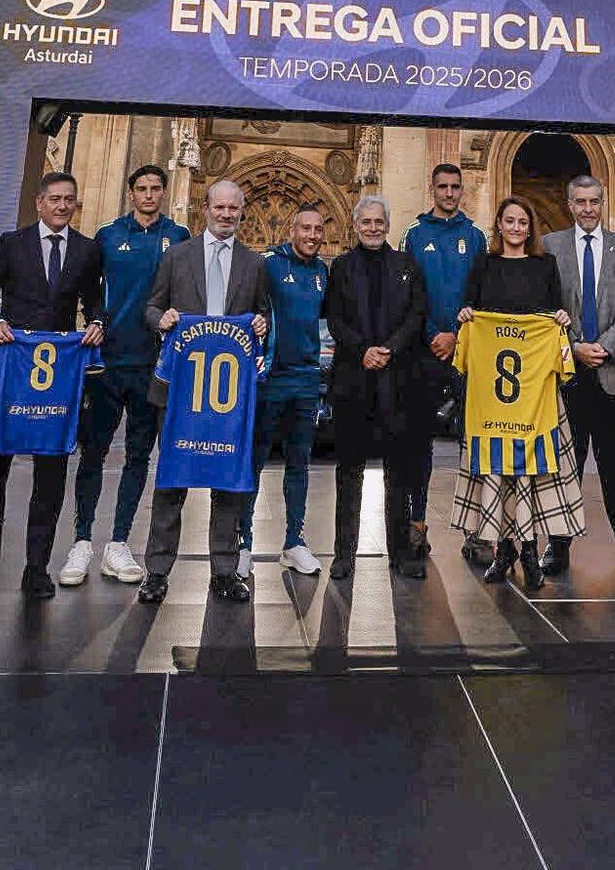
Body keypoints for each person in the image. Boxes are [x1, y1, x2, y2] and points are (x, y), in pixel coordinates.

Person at [0, 171, 104, 603]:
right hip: (12, 372)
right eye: (55, 199)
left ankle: (36, 568)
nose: (63, 206)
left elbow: (95, 299)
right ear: (39, 203)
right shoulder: (12, 243)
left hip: (59, 378)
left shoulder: (86, 250)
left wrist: (97, 322)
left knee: (51, 471)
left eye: (70, 200)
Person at [136, 178, 270, 606]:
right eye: (220, 207)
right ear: (205, 209)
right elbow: (150, 308)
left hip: (229, 395)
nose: (226, 214)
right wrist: (163, 319)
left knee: (228, 484)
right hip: (179, 391)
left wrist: (262, 326)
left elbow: (263, 314)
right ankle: (156, 572)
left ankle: (225, 571)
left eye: (234, 209)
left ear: (241, 213)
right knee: (172, 480)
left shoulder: (254, 264)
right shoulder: (177, 256)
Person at [58, 164, 190, 589]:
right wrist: (90, 320)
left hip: (153, 366)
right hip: (108, 361)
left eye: (155, 189)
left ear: (164, 193)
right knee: (93, 453)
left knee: (138, 456)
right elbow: (88, 289)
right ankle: (81, 541)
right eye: (142, 189)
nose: (149, 195)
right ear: (131, 194)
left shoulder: (179, 238)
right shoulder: (109, 235)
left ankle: (118, 543)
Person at [452, 196, 580, 592]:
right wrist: (466, 317)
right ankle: (504, 550)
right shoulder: (484, 264)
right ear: (499, 225)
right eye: (509, 221)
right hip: (493, 395)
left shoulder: (545, 265)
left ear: (530, 227)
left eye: (523, 221)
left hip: (535, 390)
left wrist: (560, 319)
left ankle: (529, 551)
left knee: (532, 471)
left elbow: (555, 315)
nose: (516, 227)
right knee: (498, 472)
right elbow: (469, 310)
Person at [541, 175, 615, 580]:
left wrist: (603, 345)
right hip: (567, 375)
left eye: (594, 201)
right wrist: (574, 347)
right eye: (580, 201)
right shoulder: (551, 247)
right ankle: (558, 547)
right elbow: (546, 307)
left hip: (612, 373)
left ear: (603, 203)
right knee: (565, 467)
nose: (588, 208)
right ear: (569, 204)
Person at [323, 195, 427, 582]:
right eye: (365, 222)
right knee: (348, 472)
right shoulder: (341, 268)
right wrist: (362, 351)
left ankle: (401, 553)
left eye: (378, 222)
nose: (372, 227)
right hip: (354, 382)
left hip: (397, 383)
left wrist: (389, 350)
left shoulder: (406, 265)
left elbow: (417, 314)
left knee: (399, 473)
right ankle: (343, 555)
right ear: (355, 225)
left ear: (387, 224)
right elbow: (334, 318)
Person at [236, 202, 330, 577]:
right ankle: (244, 543)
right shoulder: (270, 264)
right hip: (272, 378)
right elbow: (249, 304)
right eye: (305, 229)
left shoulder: (323, 271)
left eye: (317, 230)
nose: (311, 236)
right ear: (292, 231)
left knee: (299, 462)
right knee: (255, 462)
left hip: (307, 380)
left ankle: (294, 542)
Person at [399, 163, 487, 559]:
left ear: (461, 191)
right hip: (425, 351)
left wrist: (457, 334)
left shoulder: (477, 237)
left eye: (455, 187)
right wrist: (435, 333)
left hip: (469, 354)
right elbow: (408, 297)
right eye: (443, 187)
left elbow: (481, 295)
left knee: (476, 443)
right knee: (420, 444)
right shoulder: (414, 236)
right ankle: (417, 523)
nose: (449, 194)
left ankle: (477, 531)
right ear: (431, 189)